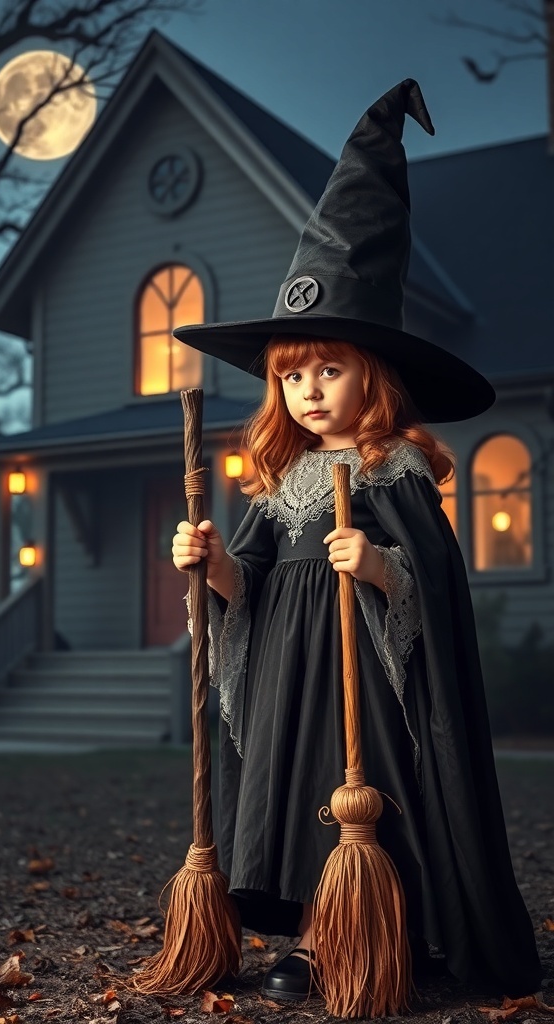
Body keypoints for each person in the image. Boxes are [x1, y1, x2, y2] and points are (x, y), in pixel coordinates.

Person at [171, 80, 542, 1004]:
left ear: (372, 374)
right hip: (289, 678)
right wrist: (214, 565)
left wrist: (382, 568)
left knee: (373, 791)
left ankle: (389, 933)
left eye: (329, 368)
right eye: (292, 374)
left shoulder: (395, 471)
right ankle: (314, 932)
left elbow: (434, 580)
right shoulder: (284, 480)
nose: (309, 390)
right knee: (297, 792)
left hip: (368, 675)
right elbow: (251, 583)